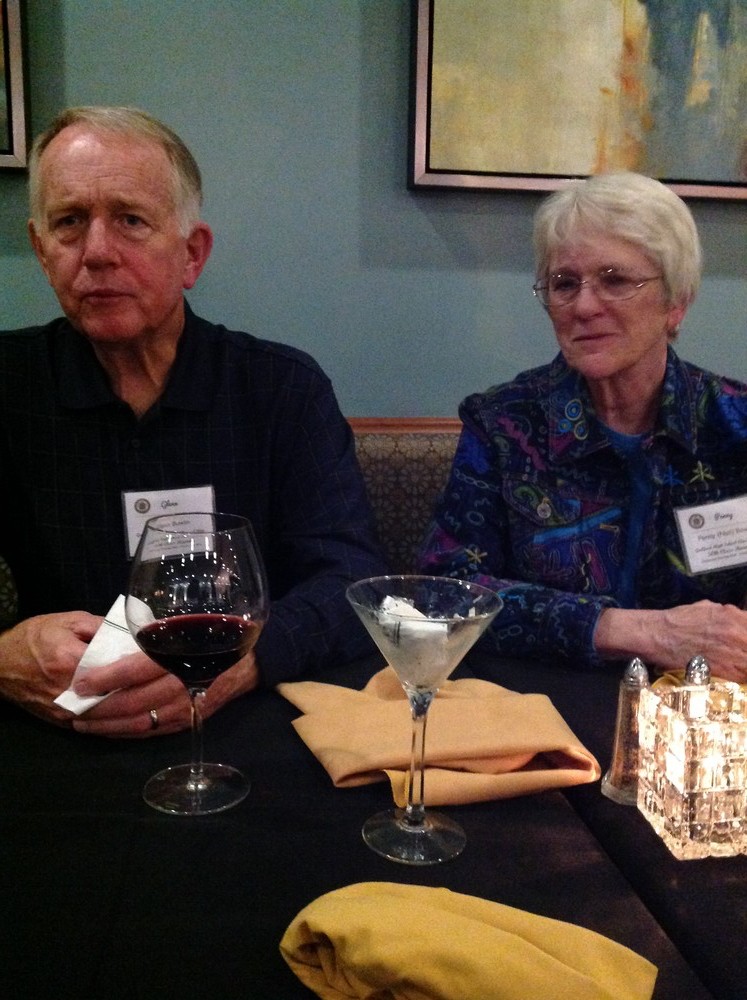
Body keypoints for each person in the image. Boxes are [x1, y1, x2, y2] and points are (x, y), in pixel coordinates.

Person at [0, 105, 388, 736]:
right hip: (55, 726)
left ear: (191, 254)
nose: (96, 252)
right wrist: (2, 658)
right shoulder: (8, 386)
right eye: (69, 222)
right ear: (42, 252)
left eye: (130, 220)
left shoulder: (283, 390)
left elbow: (353, 581)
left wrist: (243, 663)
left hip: (245, 721)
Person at [419, 171, 747, 680]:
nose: (584, 306)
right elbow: (445, 591)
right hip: (543, 704)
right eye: (564, 284)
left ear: (676, 302)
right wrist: (640, 631)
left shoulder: (735, 424)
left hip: (705, 709)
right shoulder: (504, 425)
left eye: (615, 280)